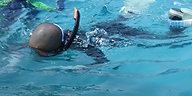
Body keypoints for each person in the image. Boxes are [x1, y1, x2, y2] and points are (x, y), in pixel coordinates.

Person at [29, 9, 176, 64]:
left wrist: (91, 66)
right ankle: (126, 14)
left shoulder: (77, 43)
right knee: (116, 22)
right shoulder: (54, 36)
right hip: (100, 27)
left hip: (115, 34)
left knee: (164, 39)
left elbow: (99, 56)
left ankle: (176, 25)